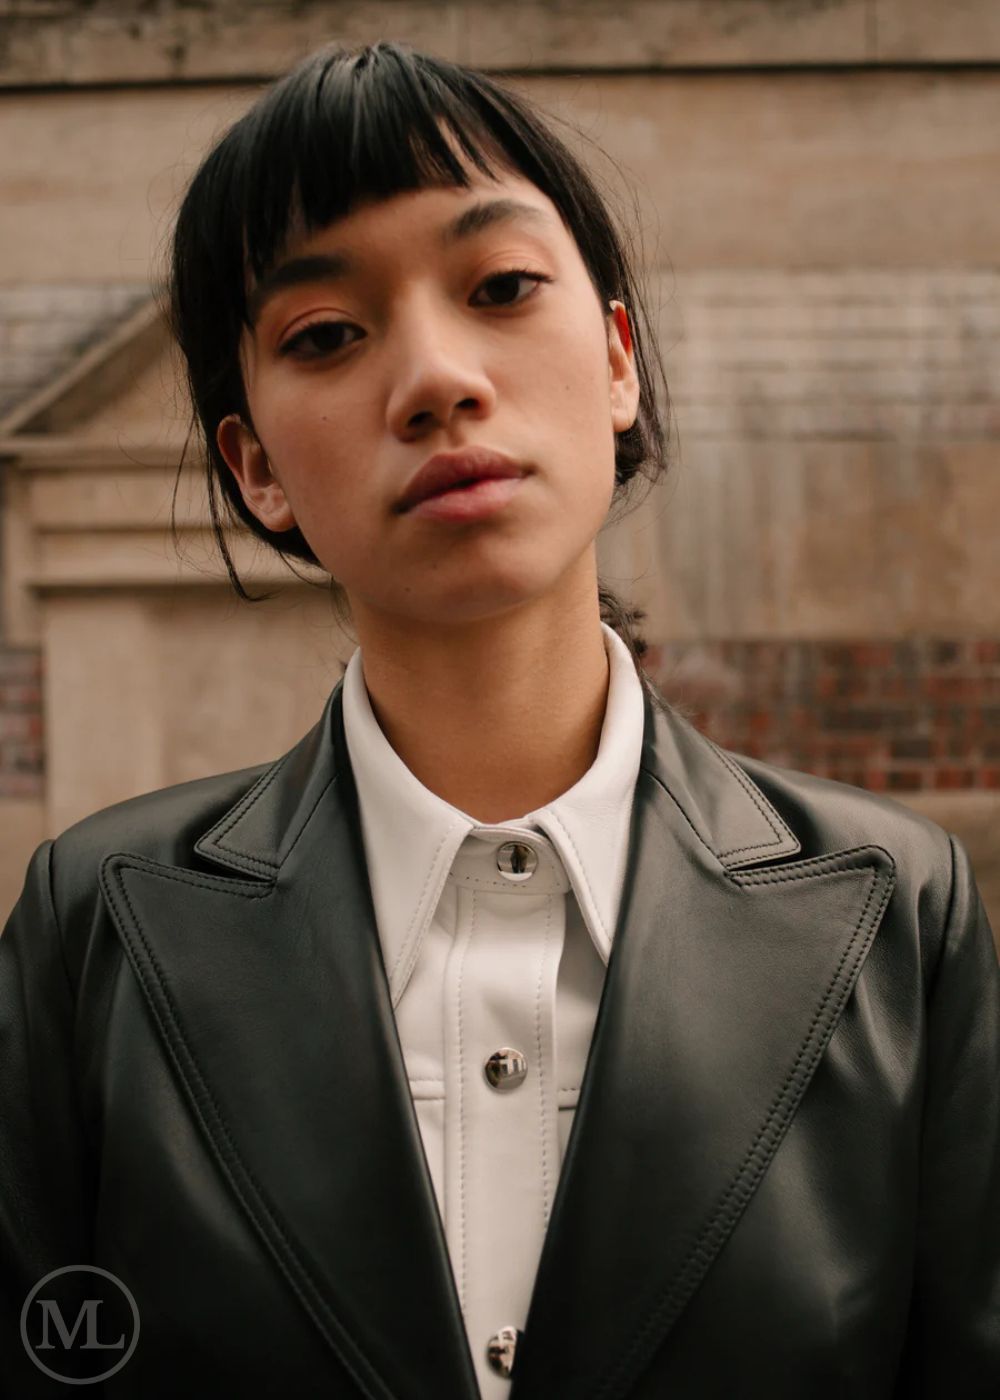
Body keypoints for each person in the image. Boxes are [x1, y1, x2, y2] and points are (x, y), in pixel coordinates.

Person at [1, 37, 998, 1400]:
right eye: (326, 336)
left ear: (617, 362)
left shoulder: (894, 913)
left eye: (503, 286)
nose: (435, 378)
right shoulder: (94, 926)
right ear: (257, 466)